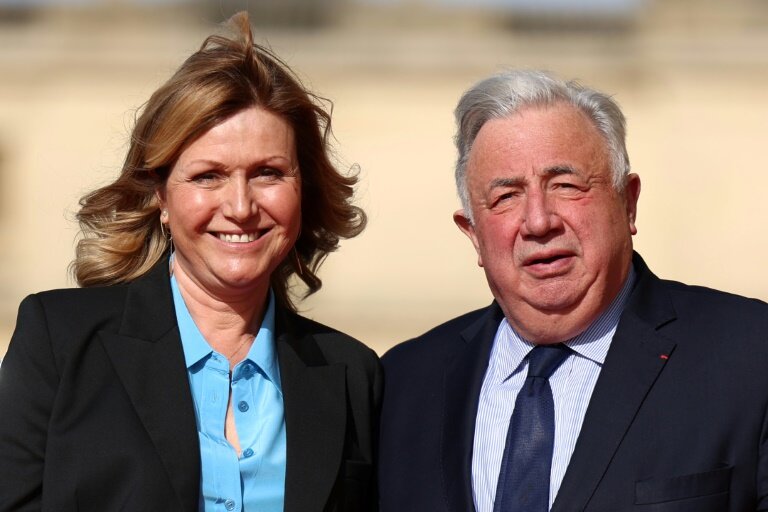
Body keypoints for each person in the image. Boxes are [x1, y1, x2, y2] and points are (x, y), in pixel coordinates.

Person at [0, 12, 381, 512]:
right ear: (160, 196)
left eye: (268, 173)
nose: (241, 207)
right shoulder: (59, 341)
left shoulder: (353, 373)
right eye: (208, 176)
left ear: (303, 190)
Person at [378, 69, 768, 511]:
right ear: (473, 234)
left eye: (565, 185)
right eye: (506, 196)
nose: (539, 221)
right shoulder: (402, 385)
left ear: (628, 202)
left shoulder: (750, 355)